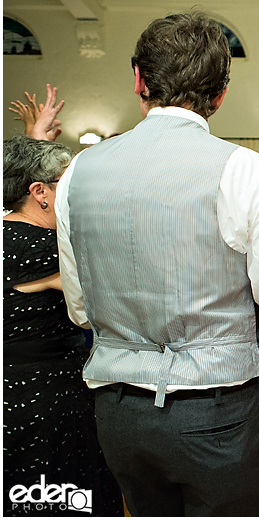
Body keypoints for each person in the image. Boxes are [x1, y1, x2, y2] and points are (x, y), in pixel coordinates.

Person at [55, 12, 259, 516]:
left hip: (118, 412)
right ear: (220, 93)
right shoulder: (245, 170)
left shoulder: (77, 173)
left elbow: (79, 307)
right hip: (215, 414)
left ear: (138, 79)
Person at [4, 131, 124, 517]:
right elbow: (111, 297)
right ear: (40, 191)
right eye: (68, 182)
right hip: (46, 396)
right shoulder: (42, 246)